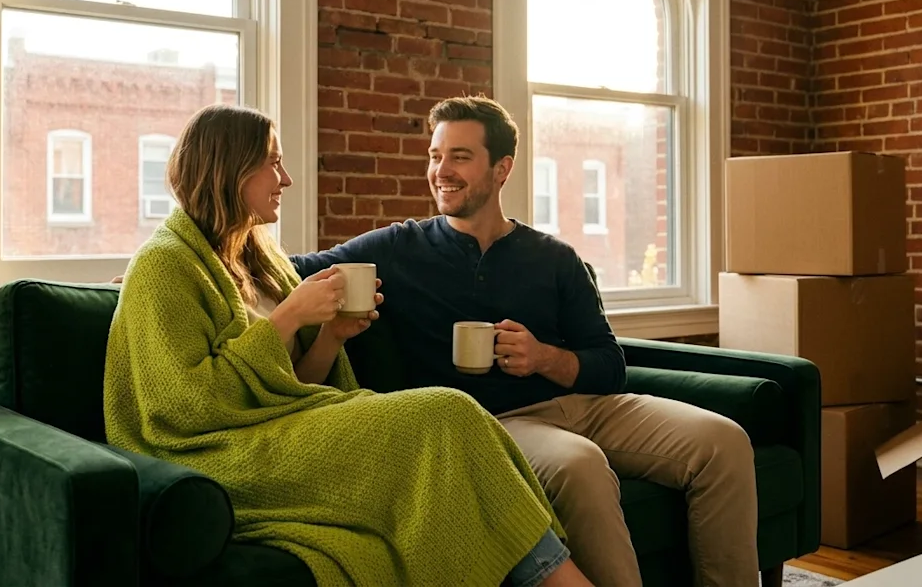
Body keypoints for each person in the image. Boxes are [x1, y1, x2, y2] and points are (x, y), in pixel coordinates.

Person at [103, 103, 593, 587]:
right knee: (446, 412)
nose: (286, 178)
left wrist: (330, 337)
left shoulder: (258, 257)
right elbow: (185, 408)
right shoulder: (165, 265)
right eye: (273, 163)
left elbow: (292, 386)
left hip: (286, 427)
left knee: (453, 416)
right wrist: (291, 315)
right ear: (229, 170)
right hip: (223, 451)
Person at [290, 96, 759, 587]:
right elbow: (289, 269)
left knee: (724, 441)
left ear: (502, 168)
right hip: (497, 425)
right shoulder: (395, 248)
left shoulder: (554, 257)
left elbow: (609, 364)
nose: (441, 170)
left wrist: (544, 357)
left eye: (460, 156)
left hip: (588, 405)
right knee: (581, 467)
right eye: (435, 155)